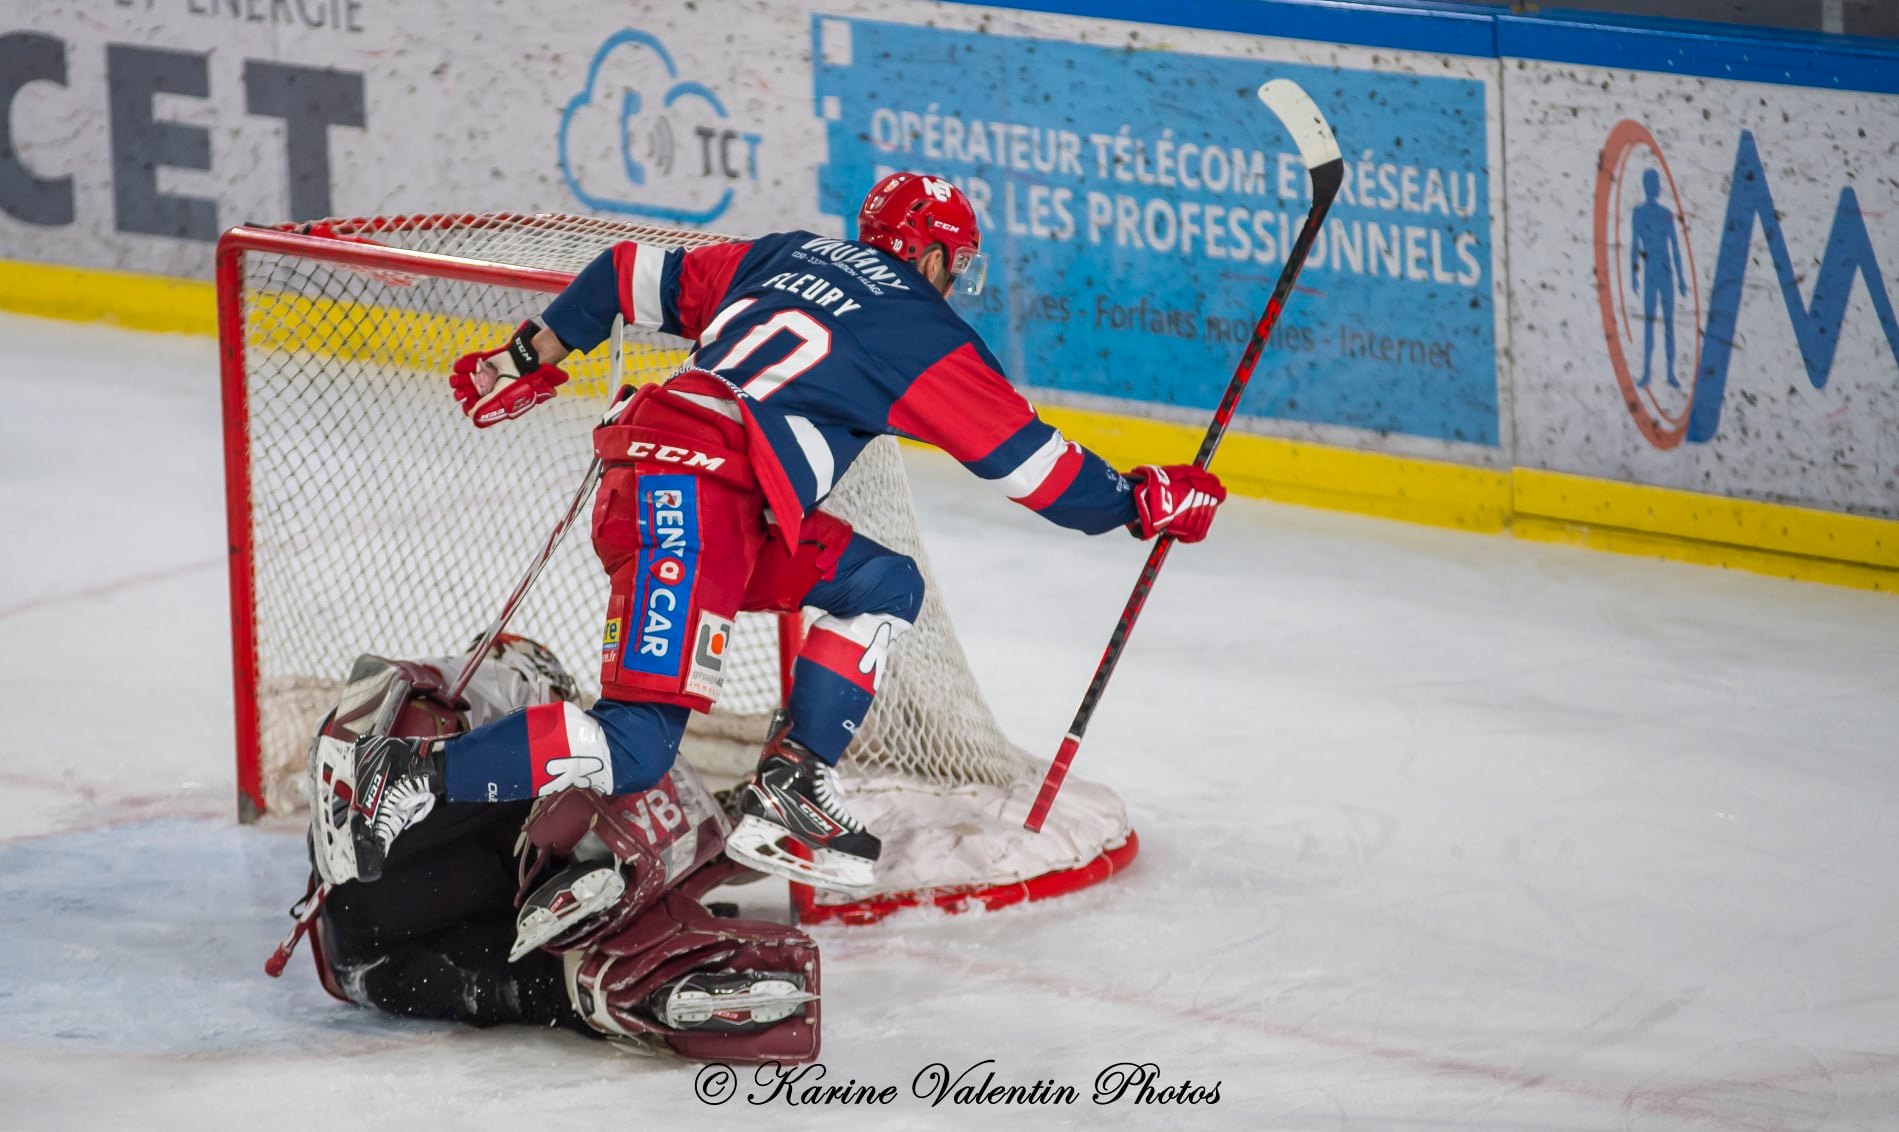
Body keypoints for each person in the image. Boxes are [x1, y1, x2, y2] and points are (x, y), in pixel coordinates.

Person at [316, 171, 1227, 894]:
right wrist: (1142, 500)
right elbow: (1038, 472)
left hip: (709, 498)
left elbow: (621, 273)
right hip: (691, 496)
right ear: (934, 257)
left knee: (880, 582)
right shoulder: (920, 328)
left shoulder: (791, 257)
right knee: (635, 745)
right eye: (954, 263)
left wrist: (521, 358)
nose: (957, 282)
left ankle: (792, 784)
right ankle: (400, 777)